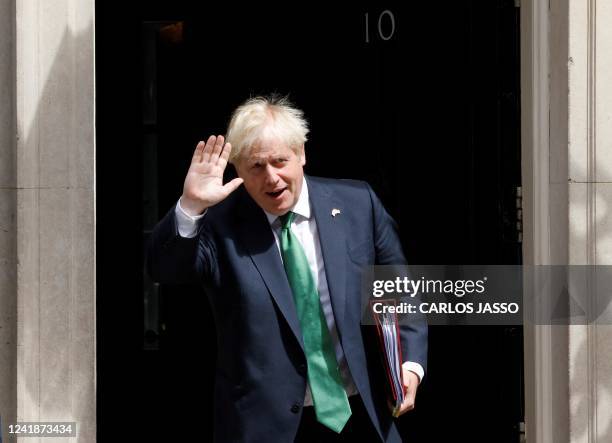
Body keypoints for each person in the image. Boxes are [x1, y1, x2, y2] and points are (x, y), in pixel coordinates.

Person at [147, 96, 427, 442]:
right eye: (256, 167)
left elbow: (400, 290)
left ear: (301, 154)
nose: (272, 178)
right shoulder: (220, 226)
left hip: (362, 414)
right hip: (266, 426)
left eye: (280, 161)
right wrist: (191, 207)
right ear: (237, 170)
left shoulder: (357, 204)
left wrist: (410, 366)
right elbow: (165, 269)